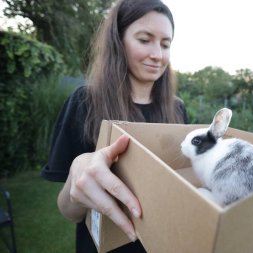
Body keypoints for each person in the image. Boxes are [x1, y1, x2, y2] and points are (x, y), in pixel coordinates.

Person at [41, 0, 187, 252]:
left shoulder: (177, 108)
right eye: (144, 40)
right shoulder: (84, 102)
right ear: (118, 41)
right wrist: (77, 176)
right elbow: (69, 211)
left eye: (166, 44)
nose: (158, 54)